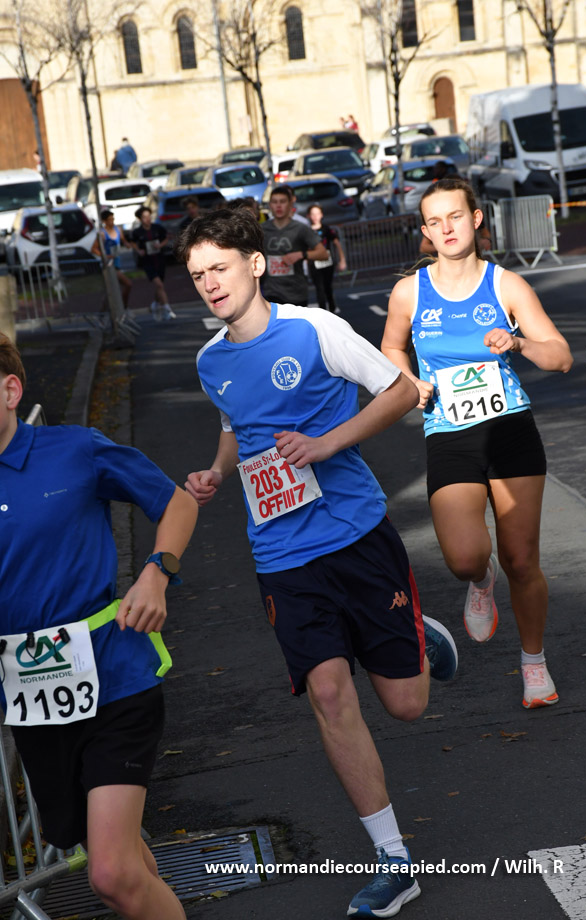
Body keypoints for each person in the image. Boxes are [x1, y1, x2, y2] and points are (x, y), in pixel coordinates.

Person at [176, 209, 458, 919]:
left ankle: (421, 637)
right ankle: (393, 861)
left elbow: (401, 391)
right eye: (198, 274)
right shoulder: (210, 362)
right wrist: (217, 471)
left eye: (219, 268)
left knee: (406, 704)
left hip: (356, 536)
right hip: (281, 555)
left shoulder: (314, 330)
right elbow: (235, 427)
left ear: (255, 264)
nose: (210, 283)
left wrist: (328, 443)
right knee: (330, 695)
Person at [0, 333, 197, 920]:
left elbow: (177, 502)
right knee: (124, 861)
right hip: (34, 702)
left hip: (115, 680)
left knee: (109, 873)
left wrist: (156, 573)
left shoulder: (74, 450)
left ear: (10, 391)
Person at [381, 177, 573, 710]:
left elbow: (560, 356)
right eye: (434, 221)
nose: (446, 228)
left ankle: (533, 662)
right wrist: (410, 382)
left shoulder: (506, 285)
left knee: (522, 559)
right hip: (449, 432)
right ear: (425, 231)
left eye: (455, 216)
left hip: (510, 429)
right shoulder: (410, 292)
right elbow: (392, 346)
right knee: (466, 557)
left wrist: (519, 342)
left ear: (476, 218)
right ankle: (481, 579)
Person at [261, 185, 328, 308]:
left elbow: (323, 253)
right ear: (270, 205)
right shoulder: (262, 230)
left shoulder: (300, 228)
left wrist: (301, 254)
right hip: (272, 292)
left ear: (290, 204)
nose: (278, 206)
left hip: (296, 293)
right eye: (275, 202)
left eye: (282, 202)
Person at [131, 206, 176, 321]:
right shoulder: (137, 232)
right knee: (159, 285)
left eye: (149, 216)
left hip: (159, 259)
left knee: (160, 285)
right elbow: (133, 243)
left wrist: (160, 245)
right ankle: (167, 309)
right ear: (140, 219)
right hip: (147, 261)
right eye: (144, 217)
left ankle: (155, 304)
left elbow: (166, 238)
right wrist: (139, 250)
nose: (147, 219)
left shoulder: (157, 228)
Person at [306, 203, 347, 314]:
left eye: (317, 214)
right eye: (313, 214)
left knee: (327, 286)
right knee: (319, 288)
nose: (315, 217)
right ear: (308, 216)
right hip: (314, 263)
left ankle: (332, 307)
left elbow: (336, 243)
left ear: (321, 215)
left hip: (327, 262)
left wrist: (342, 259)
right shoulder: (307, 231)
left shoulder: (326, 229)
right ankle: (323, 311)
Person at [92, 209, 132, 308]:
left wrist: (127, 244)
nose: (112, 221)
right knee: (127, 284)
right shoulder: (102, 233)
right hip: (109, 265)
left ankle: (105, 311)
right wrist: (105, 256)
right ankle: (123, 307)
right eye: (110, 220)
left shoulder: (118, 230)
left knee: (112, 291)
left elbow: (123, 240)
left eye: (113, 219)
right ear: (104, 221)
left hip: (117, 262)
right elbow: (93, 249)